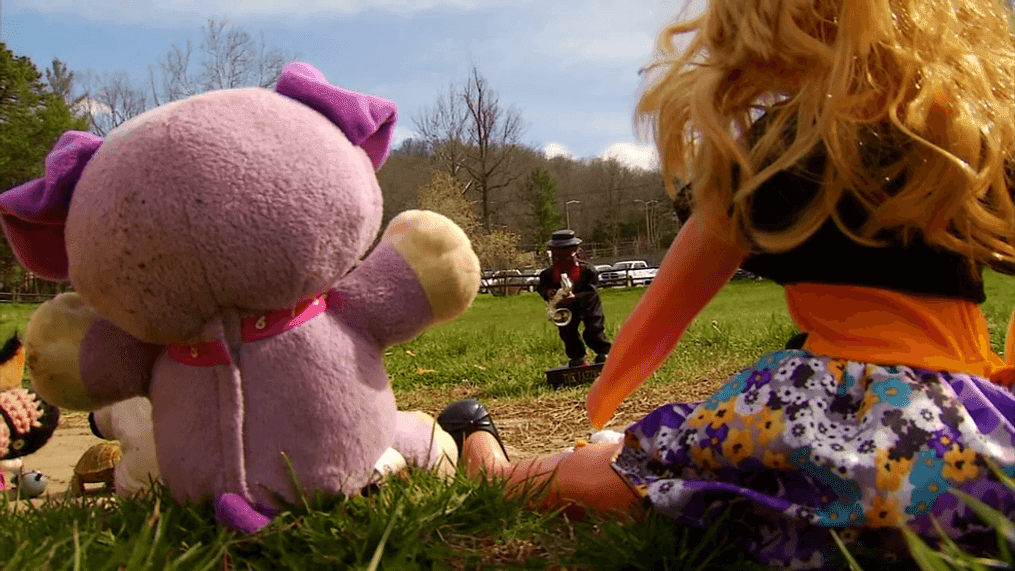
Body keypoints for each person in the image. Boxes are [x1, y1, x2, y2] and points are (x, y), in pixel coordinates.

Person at [435, 0, 1015, 566]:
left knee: (637, 479)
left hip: (814, 421)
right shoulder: (970, 140)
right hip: (964, 438)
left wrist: (605, 397)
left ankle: (501, 471)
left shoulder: (774, 148)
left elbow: (668, 303)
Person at [536, 230, 612, 367]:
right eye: (558, 253)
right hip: (564, 308)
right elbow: (541, 288)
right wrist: (549, 293)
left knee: (594, 329)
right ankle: (577, 357)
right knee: (567, 332)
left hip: (588, 306)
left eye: (566, 253)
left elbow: (592, 292)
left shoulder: (588, 271)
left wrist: (576, 297)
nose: (562, 258)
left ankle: (603, 352)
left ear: (575, 251)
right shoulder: (547, 274)